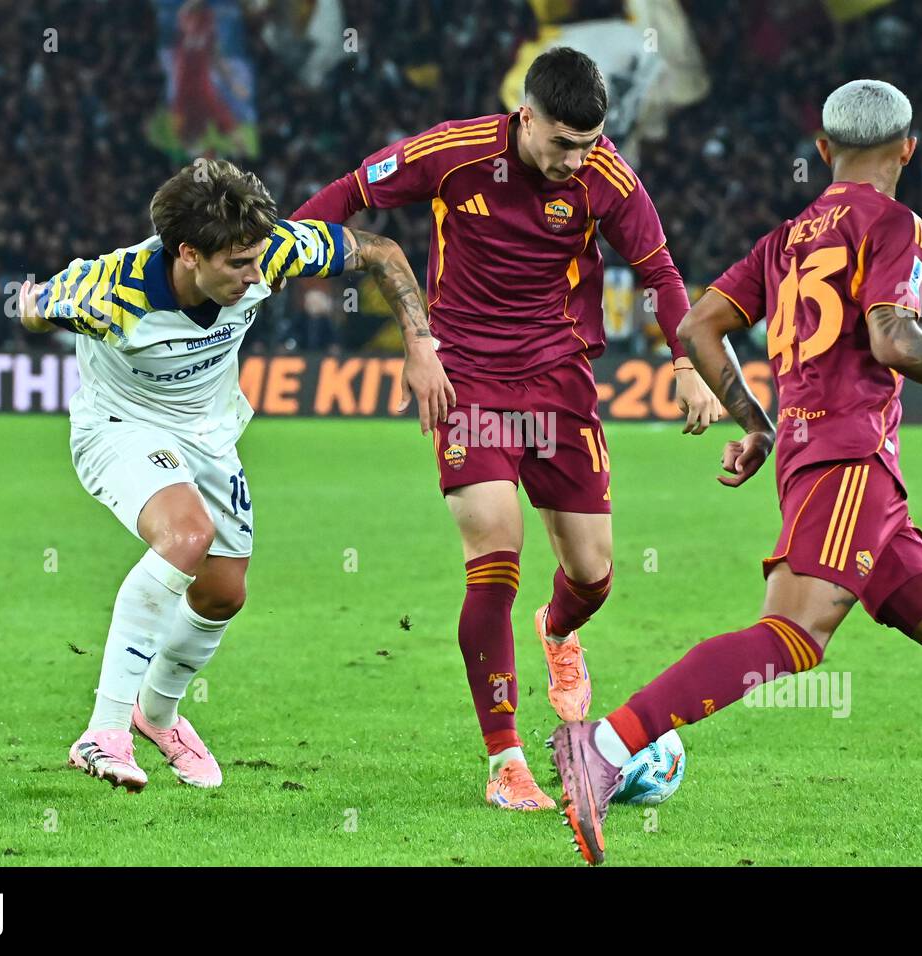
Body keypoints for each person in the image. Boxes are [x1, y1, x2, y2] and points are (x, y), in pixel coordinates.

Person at [550, 79, 922, 867]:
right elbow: (894, 339)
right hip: (848, 462)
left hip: (849, 476)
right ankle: (604, 744)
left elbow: (699, 326)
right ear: (909, 148)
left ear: (824, 150)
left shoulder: (787, 237)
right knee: (791, 639)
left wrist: (757, 424)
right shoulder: (896, 223)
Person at [291, 48, 740, 811]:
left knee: (594, 576)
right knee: (494, 554)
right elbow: (348, 193)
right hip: (465, 377)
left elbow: (662, 274)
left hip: (561, 382)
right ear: (525, 117)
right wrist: (289, 258)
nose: (577, 160)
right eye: (564, 143)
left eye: (591, 143)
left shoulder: (608, 179)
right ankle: (505, 761)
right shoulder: (454, 152)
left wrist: (687, 364)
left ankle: (559, 632)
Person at [18, 159, 446, 792]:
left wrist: (420, 346)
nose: (254, 278)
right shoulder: (111, 290)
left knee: (223, 593)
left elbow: (380, 251)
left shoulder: (271, 252)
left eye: (256, 261)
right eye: (236, 266)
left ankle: (156, 716)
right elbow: (34, 309)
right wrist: (33, 307)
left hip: (210, 435)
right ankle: (102, 733)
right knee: (186, 536)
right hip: (121, 426)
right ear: (188, 253)